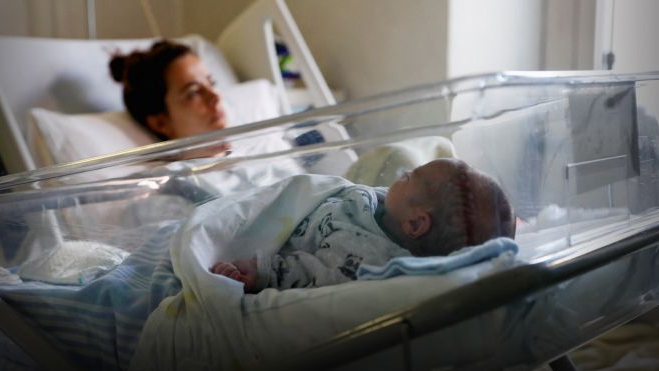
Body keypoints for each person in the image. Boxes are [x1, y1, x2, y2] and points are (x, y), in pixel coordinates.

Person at [211, 158, 515, 293]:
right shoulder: (389, 210)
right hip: (300, 203)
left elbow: (315, 275)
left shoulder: (365, 255)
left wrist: (261, 273)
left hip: (269, 239)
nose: (403, 173)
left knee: (216, 216)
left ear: (415, 223)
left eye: (408, 177)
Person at [109, 39, 230, 158]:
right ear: (161, 123)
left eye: (212, 83)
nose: (215, 97)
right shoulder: (178, 172)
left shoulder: (239, 157)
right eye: (193, 92)